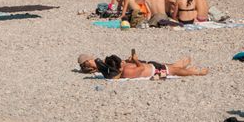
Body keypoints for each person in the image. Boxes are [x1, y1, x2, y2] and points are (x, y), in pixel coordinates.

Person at [78, 51, 208, 78]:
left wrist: (129, 61)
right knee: (174, 69)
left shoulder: (109, 67)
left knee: (175, 66)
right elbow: (139, 68)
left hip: (152, 66)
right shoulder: (126, 72)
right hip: (156, 71)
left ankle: (184, 65)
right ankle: (195, 72)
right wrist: (135, 60)